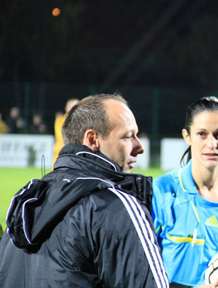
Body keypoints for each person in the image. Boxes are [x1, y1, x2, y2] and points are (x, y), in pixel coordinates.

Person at [0, 94, 169, 287]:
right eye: (128, 136)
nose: (139, 147)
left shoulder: (24, 205)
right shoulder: (114, 206)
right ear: (93, 139)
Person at [152, 96, 218, 288]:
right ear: (187, 136)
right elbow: (137, 269)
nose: (212, 144)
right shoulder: (163, 191)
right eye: (202, 134)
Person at [52, 98, 79, 166]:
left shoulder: (80, 121)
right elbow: (59, 135)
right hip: (61, 148)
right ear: (67, 108)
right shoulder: (60, 120)